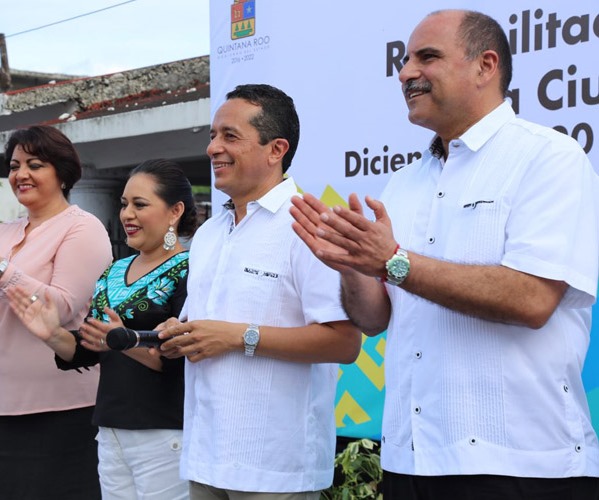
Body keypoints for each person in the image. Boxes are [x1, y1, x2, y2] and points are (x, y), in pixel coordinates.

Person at [290, 9, 599, 500]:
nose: (406, 73)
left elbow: (533, 299)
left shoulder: (549, 157)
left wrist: (394, 261)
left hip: (521, 464)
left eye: (427, 57)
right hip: (410, 459)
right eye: (404, 60)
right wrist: (351, 267)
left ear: (485, 65)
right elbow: (374, 319)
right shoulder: (405, 182)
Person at [157, 84, 361, 500]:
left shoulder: (310, 225)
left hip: (276, 469)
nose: (213, 148)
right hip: (205, 457)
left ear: (276, 150)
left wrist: (239, 337)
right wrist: (180, 333)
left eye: (230, 136)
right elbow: (206, 326)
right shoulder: (210, 233)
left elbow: (344, 342)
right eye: (212, 135)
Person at [8, 158, 197, 499]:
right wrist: (52, 334)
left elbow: (183, 356)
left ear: (175, 211)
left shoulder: (191, 269)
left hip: (164, 432)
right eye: (124, 204)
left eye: (140, 205)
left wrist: (122, 342)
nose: (127, 215)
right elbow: (88, 348)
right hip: (110, 431)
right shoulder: (115, 270)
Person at [0, 125, 113, 499]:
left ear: (62, 173)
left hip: (59, 409)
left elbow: (62, 307)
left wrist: (5, 272)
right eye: (14, 166)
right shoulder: (5, 232)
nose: (21, 174)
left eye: (35, 165)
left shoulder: (83, 228)